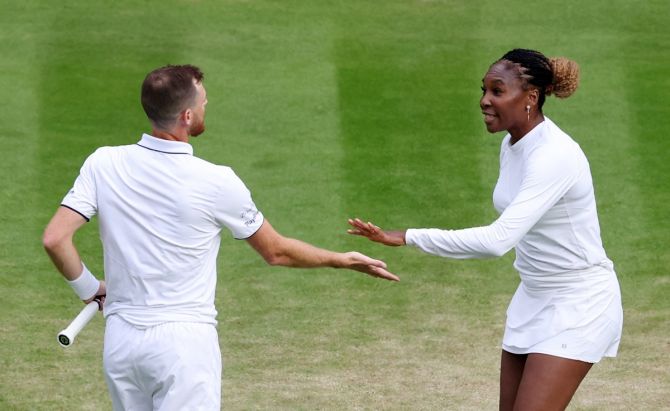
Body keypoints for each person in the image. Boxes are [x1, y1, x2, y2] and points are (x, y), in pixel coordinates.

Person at [43, 64, 399, 411]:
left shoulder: (102, 163)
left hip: (121, 344)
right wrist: (343, 259)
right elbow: (276, 252)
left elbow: (56, 239)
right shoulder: (217, 181)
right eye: (202, 103)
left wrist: (89, 289)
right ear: (186, 116)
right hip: (183, 347)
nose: (205, 107)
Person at [347, 49, 623, 411]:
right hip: (533, 297)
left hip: (579, 304)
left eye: (497, 91)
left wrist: (408, 235)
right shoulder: (513, 144)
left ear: (531, 97)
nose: (484, 101)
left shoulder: (555, 156)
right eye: (484, 90)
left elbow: (497, 241)